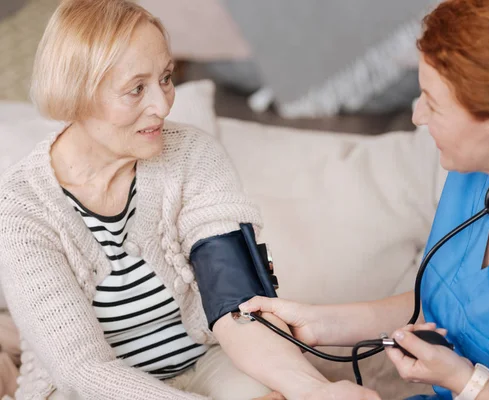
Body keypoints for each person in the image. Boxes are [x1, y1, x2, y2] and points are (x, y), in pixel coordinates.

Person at [0, 1, 381, 399]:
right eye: (136, 89)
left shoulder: (193, 155)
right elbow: (82, 370)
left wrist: (310, 390)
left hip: (204, 361)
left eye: (165, 78)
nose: (163, 105)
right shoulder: (21, 207)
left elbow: (237, 303)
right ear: (77, 91)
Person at [240, 0, 489, 398]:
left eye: (433, 102)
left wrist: (463, 381)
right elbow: (448, 306)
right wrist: (316, 322)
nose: (416, 116)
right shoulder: (474, 174)